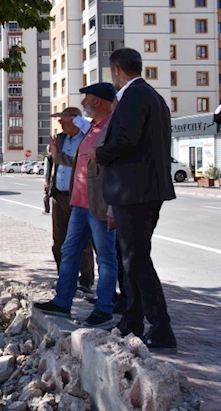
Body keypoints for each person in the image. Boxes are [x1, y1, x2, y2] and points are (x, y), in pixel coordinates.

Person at [87, 48, 177, 351]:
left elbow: (126, 140)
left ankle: (161, 328)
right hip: (143, 190)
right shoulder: (153, 96)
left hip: (135, 191)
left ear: (115, 71)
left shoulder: (133, 96)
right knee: (133, 257)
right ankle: (132, 321)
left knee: (136, 259)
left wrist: (98, 153)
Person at [34, 83, 118, 326]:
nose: (83, 103)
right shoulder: (92, 128)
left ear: (98, 101)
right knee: (69, 251)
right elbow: (75, 162)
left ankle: (104, 308)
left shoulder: (111, 128)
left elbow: (117, 170)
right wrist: (56, 153)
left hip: (99, 204)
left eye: (87, 98)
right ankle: (62, 302)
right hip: (79, 204)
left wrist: (113, 207)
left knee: (105, 257)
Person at [48, 106, 94, 293]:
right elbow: (51, 163)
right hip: (59, 195)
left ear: (75, 120)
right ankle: (65, 278)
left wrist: (57, 155)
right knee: (59, 240)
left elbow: (77, 163)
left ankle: (86, 280)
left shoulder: (86, 139)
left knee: (82, 241)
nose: (59, 122)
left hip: (79, 197)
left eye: (63, 118)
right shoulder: (60, 139)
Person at [42, 146, 53, 214]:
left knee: (46, 194)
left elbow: (47, 169)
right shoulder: (58, 156)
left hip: (50, 179)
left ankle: (47, 209)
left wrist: (46, 180)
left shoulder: (48, 157)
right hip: (57, 178)